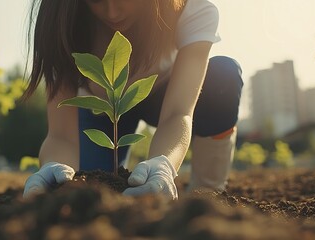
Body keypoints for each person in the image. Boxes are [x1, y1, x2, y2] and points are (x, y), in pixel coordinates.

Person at [22, 0, 243, 200]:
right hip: (102, 111)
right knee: (95, 190)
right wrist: (53, 167)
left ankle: (207, 194)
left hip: (164, 96)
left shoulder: (191, 10)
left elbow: (178, 112)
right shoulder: (61, 25)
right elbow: (61, 136)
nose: (112, 11)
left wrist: (163, 164)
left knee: (223, 77)